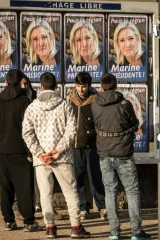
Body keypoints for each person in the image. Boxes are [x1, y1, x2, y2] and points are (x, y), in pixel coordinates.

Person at [22, 72, 91, 239]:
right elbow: (71, 130)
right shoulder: (64, 105)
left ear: (41, 87)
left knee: (45, 193)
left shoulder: (32, 107)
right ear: (56, 87)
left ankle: (50, 227)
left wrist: (39, 153)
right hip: (63, 157)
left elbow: (26, 133)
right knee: (70, 192)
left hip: (42, 160)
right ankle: (76, 227)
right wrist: (58, 150)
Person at [91, 73, 151, 240]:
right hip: (123, 152)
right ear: (116, 86)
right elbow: (134, 123)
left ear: (101, 87)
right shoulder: (125, 104)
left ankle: (114, 232)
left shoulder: (95, 105)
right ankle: (136, 232)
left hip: (104, 153)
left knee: (110, 192)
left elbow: (94, 124)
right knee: (131, 191)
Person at [0, 69, 41, 232]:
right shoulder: (24, 101)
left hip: (3, 151)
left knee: (6, 186)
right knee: (24, 186)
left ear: (6, 83)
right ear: (19, 83)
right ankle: (29, 221)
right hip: (20, 150)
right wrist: (29, 152)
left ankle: (9, 220)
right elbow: (28, 129)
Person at [66, 72, 107, 220]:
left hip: (92, 145)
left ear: (89, 86)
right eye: (78, 86)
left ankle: (102, 206)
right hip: (75, 145)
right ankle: (83, 207)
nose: (80, 90)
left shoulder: (96, 100)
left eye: (83, 87)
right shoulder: (69, 99)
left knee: (95, 177)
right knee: (78, 178)